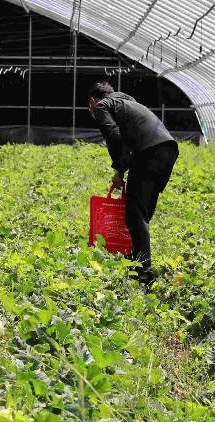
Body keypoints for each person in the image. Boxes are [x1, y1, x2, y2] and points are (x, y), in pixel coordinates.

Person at [88, 81, 179, 286]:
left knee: (135, 216)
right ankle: (136, 262)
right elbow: (128, 139)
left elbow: (114, 136)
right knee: (142, 215)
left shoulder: (102, 106)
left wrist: (119, 170)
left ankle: (143, 276)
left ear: (93, 101)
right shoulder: (127, 102)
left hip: (149, 153)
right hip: (168, 151)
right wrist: (121, 170)